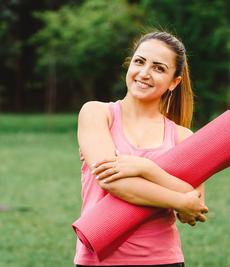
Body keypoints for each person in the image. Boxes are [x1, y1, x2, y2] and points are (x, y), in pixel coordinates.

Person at [75, 31, 208, 267]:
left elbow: (193, 207)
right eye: (139, 61)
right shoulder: (96, 113)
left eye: (159, 68)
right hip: (99, 258)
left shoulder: (183, 137)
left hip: (162, 260)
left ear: (174, 82)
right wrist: (179, 199)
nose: (144, 73)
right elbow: (111, 181)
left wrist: (147, 169)